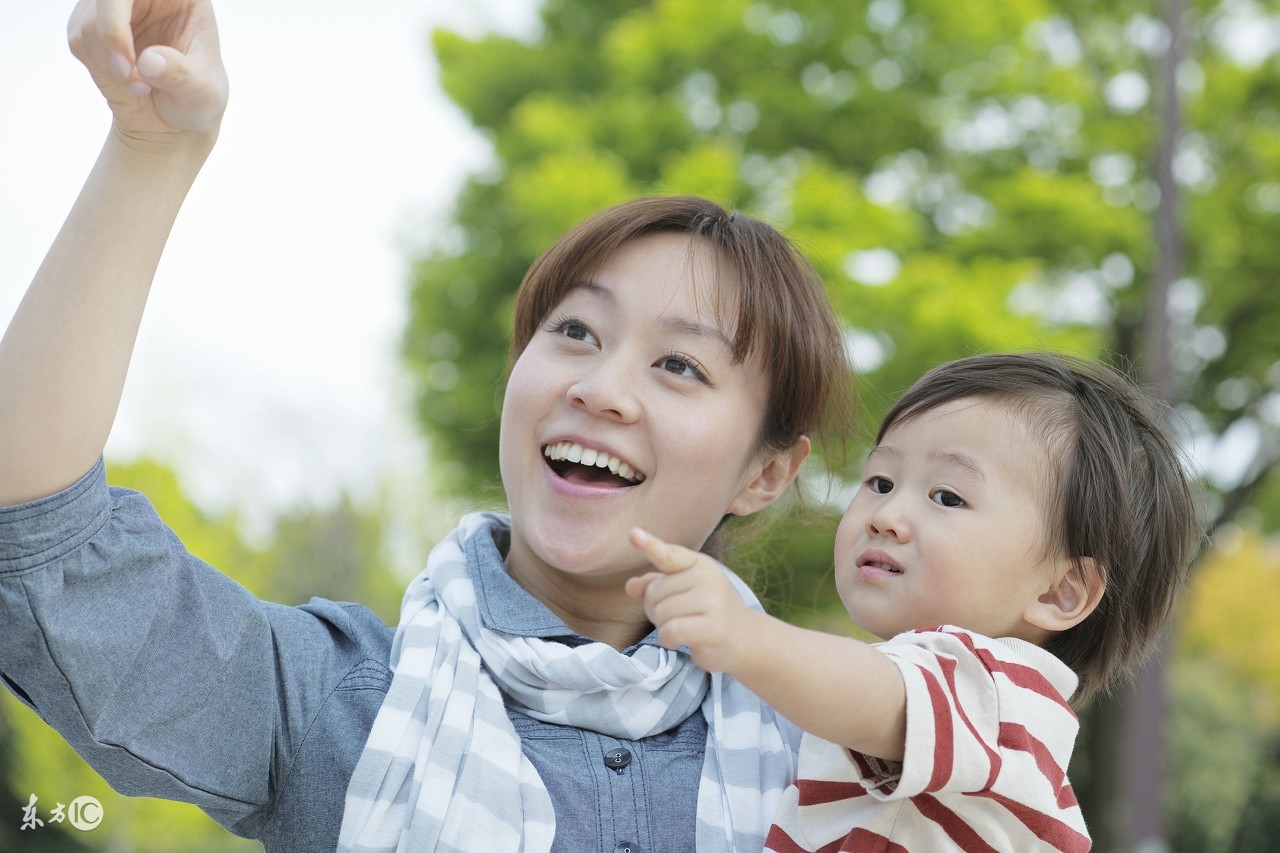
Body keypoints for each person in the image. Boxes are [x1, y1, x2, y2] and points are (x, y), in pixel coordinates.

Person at [0, 2, 853, 851]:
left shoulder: (845, 756)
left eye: (679, 366)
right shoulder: (344, 701)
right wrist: (153, 148)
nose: (600, 388)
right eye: (576, 332)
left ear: (767, 473)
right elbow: (41, 538)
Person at [627, 352, 1202, 852]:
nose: (888, 517)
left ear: (1059, 591)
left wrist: (744, 636)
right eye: (879, 482)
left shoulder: (1003, 702)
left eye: (947, 497)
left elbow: (880, 695)